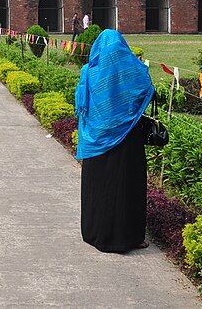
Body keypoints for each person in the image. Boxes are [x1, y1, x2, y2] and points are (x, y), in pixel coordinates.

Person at [74, 29, 154, 253]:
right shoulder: (131, 71)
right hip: (126, 141)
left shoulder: (89, 72)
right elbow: (145, 86)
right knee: (125, 187)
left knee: (99, 187)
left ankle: (93, 232)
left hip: (96, 141)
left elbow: (83, 106)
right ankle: (127, 237)